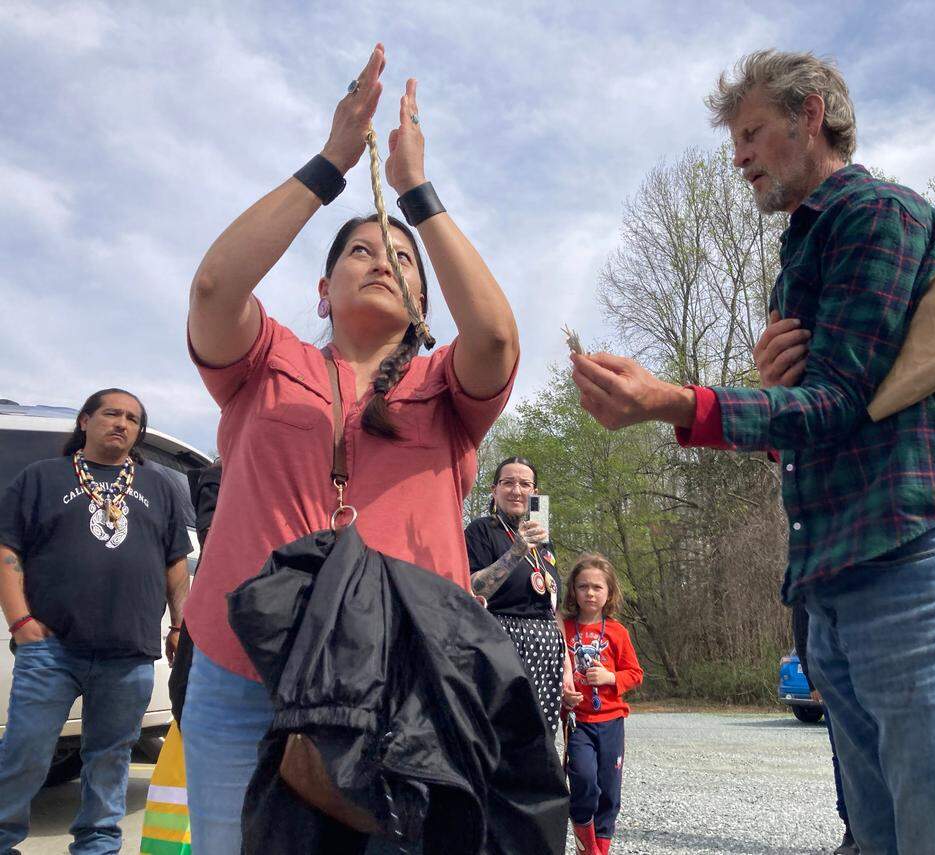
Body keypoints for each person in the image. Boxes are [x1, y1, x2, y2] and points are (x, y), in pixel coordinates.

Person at [569, 49, 935, 854]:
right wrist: (779, 409)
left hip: (920, 563)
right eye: (734, 140)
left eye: (751, 132)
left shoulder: (876, 215)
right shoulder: (796, 261)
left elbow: (839, 402)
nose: (738, 155)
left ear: (810, 115)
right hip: (837, 582)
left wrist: (674, 402)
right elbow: (823, 431)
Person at [180, 43, 520, 853]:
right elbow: (213, 291)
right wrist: (337, 160)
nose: (381, 258)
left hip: (404, 681)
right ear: (322, 291)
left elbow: (499, 335)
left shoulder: (447, 388)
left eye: (401, 258)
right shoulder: (265, 362)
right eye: (360, 250)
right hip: (240, 670)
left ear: (424, 303)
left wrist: (416, 196)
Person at [0, 388, 192, 854]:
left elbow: (175, 564)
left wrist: (178, 625)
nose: (122, 423)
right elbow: (8, 551)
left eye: (132, 418)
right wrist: (20, 621)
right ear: (85, 421)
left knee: (110, 759)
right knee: (25, 753)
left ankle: (97, 846)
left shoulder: (159, 486)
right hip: (51, 649)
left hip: (128, 653)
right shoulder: (41, 477)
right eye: (111, 413)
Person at [466, 456, 573, 733]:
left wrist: (567, 666)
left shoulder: (543, 540)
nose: (517, 490)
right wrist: (516, 551)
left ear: (535, 493)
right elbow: (473, 588)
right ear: (494, 490)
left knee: (540, 735)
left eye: (525, 484)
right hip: (501, 640)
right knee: (502, 733)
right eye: (508, 483)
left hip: (546, 646)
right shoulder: (481, 530)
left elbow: (552, 604)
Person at [561, 553, 643, 855]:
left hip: (611, 722)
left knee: (609, 790)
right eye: (583, 587)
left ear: (609, 592)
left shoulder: (617, 632)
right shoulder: (564, 629)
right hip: (579, 723)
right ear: (573, 591)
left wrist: (610, 678)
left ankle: (599, 850)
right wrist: (563, 696)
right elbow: (556, 673)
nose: (590, 593)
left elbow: (635, 674)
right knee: (584, 781)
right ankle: (586, 842)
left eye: (597, 587)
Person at [791, 604, 857, 855]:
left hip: (877, 670)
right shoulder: (815, 565)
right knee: (844, 756)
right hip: (835, 678)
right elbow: (801, 621)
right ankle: (851, 831)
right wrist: (812, 678)